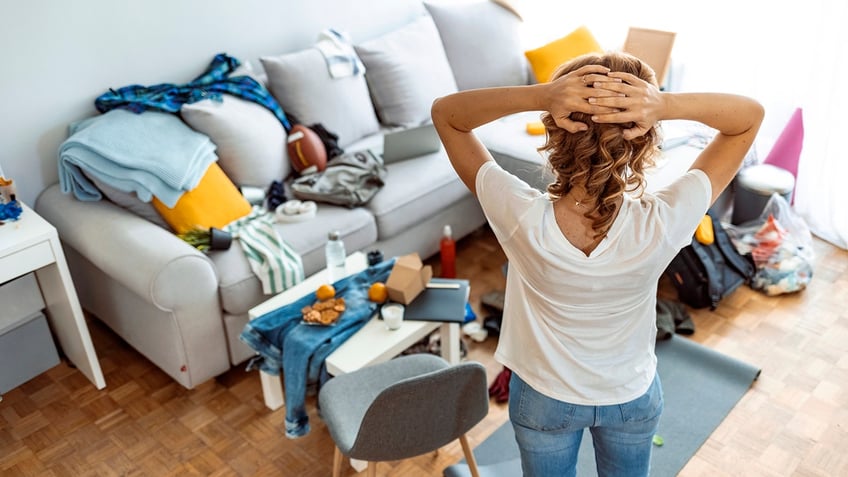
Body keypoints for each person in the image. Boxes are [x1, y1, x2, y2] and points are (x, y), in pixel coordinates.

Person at [431, 51, 763, 477]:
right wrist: (664, 104)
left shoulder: (518, 214)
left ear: (555, 129)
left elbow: (447, 114)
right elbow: (749, 117)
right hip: (630, 398)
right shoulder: (662, 222)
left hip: (542, 398)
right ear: (643, 137)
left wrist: (542, 94)